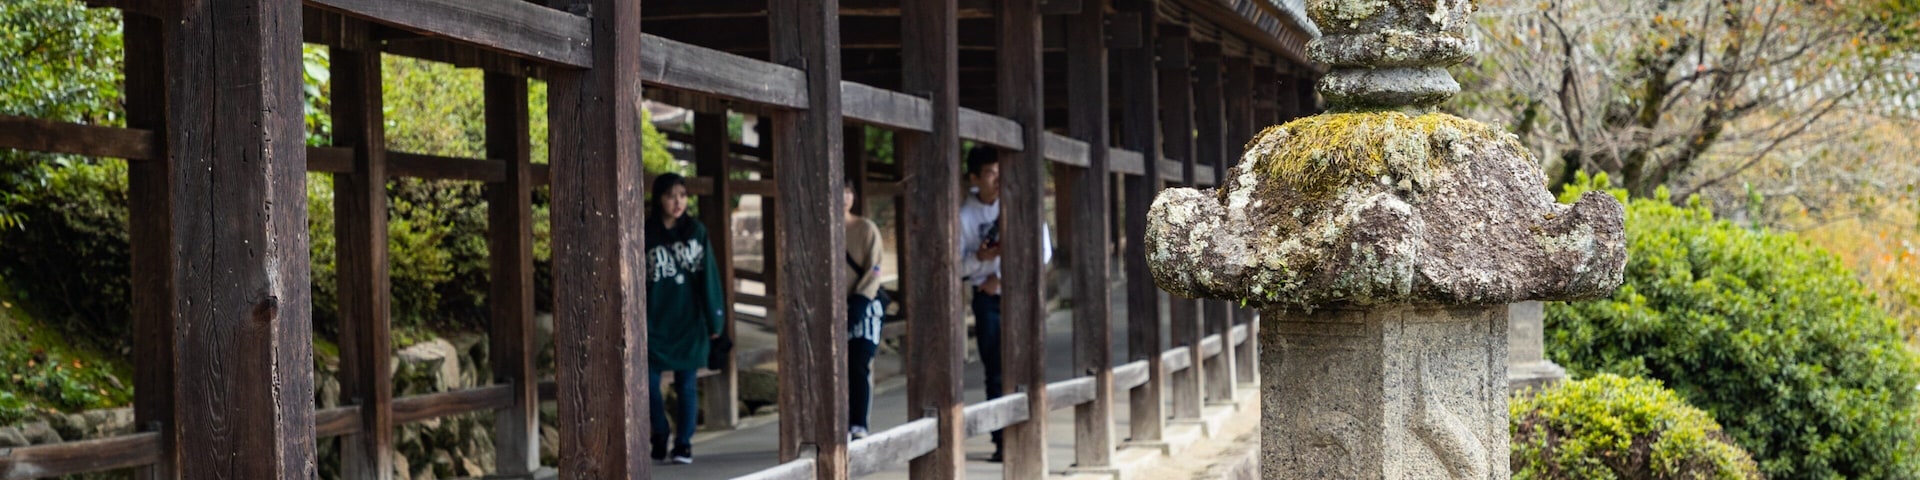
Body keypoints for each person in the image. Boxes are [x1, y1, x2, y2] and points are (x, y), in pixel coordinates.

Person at [958, 146, 1051, 462]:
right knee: (995, 371)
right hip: (987, 301)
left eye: (1001, 171)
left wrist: (1002, 277)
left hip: (1020, 296)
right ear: (974, 178)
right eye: (990, 172)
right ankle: (1002, 441)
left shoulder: (1020, 204)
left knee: (1027, 365)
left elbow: (1043, 252)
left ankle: (1029, 433)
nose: (998, 179)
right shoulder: (964, 216)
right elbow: (954, 266)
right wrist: (978, 260)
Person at [644, 173, 726, 465]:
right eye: (670, 195)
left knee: (687, 384)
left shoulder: (696, 232)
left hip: (690, 320)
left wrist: (716, 323)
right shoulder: (645, 233)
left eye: (682, 195)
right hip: (654, 322)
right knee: (648, 384)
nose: (677, 201)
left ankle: (683, 443)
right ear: (659, 199)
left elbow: (709, 277)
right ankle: (660, 431)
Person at [843, 182, 886, 440]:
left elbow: (876, 268)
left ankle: (858, 423)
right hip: (835, 310)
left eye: (848, 191)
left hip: (865, 307)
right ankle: (840, 422)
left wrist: (860, 298)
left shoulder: (866, 228)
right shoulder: (822, 230)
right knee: (839, 368)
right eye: (838, 191)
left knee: (859, 363)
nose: (845, 197)